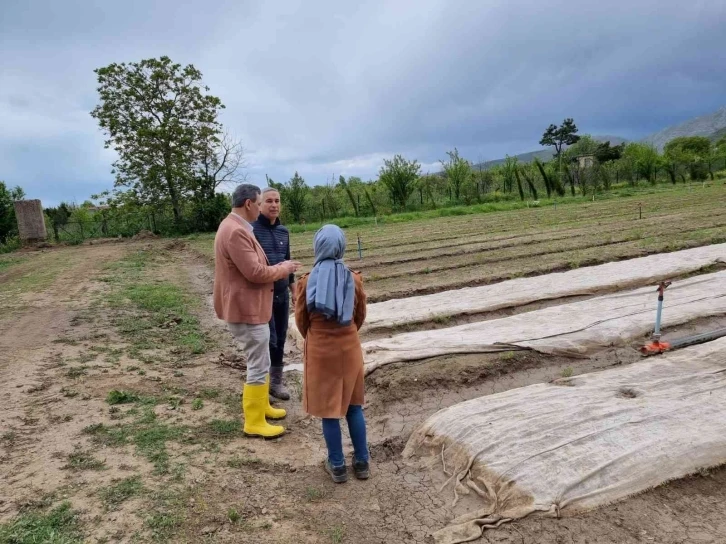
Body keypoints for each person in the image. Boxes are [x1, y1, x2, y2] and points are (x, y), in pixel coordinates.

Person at [214, 184, 301, 439]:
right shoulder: (235, 232)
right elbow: (255, 272)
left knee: (262, 360)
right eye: (264, 201)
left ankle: (263, 406)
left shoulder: (236, 227)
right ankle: (253, 421)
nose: (270, 205)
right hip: (247, 308)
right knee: (257, 363)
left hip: (251, 306)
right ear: (250, 204)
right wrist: (283, 268)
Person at [295, 224, 369, 483]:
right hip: (349, 348)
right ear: (341, 246)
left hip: (320, 350)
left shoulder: (305, 281)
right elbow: (359, 316)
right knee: (353, 407)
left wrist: (317, 338)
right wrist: (346, 334)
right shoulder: (354, 278)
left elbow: (301, 321)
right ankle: (362, 463)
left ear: (317, 246)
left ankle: (337, 466)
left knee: (328, 411)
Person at [252, 187, 294, 401]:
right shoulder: (251, 231)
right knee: (267, 339)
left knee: (281, 336)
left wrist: (293, 290)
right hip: (262, 296)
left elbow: (288, 261)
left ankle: (276, 382)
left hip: (281, 296)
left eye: (277, 200)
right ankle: (262, 383)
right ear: (259, 205)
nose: (274, 205)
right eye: (269, 201)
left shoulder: (283, 232)